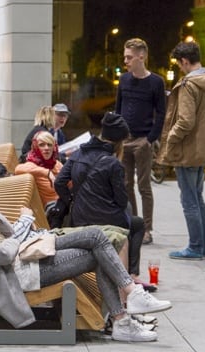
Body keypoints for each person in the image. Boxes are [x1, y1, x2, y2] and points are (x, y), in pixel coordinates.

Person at [0, 190, 172, 341]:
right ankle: (127, 308)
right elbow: (3, 255)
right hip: (21, 274)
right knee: (97, 246)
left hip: (27, 259)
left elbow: (6, 232)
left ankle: (125, 311)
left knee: (98, 240)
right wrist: (19, 234)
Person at [55, 112, 148, 287]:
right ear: (119, 142)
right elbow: (120, 200)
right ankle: (131, 275)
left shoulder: (78, 154)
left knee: (129, 213)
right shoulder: (113, 164)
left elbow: (59, 182)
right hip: (107, 221)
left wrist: (72, 201)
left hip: (79, 218)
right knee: (137, 224)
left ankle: (128, 276)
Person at [158, 41, 205, 260]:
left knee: (189, 200)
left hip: (188, 150)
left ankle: (195, 247)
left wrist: (170, 140)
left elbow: (185, 121)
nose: (179, 68)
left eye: (179, 64)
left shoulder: (189, 85)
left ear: (185, 61)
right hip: (204, 148)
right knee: (198, 197)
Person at [115, 38, 166, 245]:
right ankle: (133, 225)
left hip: (144, 140)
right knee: (126, 185)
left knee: (144, 186)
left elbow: (161, 113)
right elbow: (118, 109)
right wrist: (117, 137)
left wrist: (150, 139)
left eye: (129, 57)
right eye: (125, 56)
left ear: (141, 56)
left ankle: (147, 229)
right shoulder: (124, 80)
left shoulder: (156, 82)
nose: (125, 60)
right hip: (125, 140)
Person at [15, 131, 63, 208]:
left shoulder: (57, 164)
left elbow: (70, 184)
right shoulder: (32, 164)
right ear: (36, 147)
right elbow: (18, 169)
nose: (46, 148)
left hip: (63, 206)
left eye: (49, 145)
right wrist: (47, 172)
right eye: (42, 145)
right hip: (47, 212)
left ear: (54, 147)